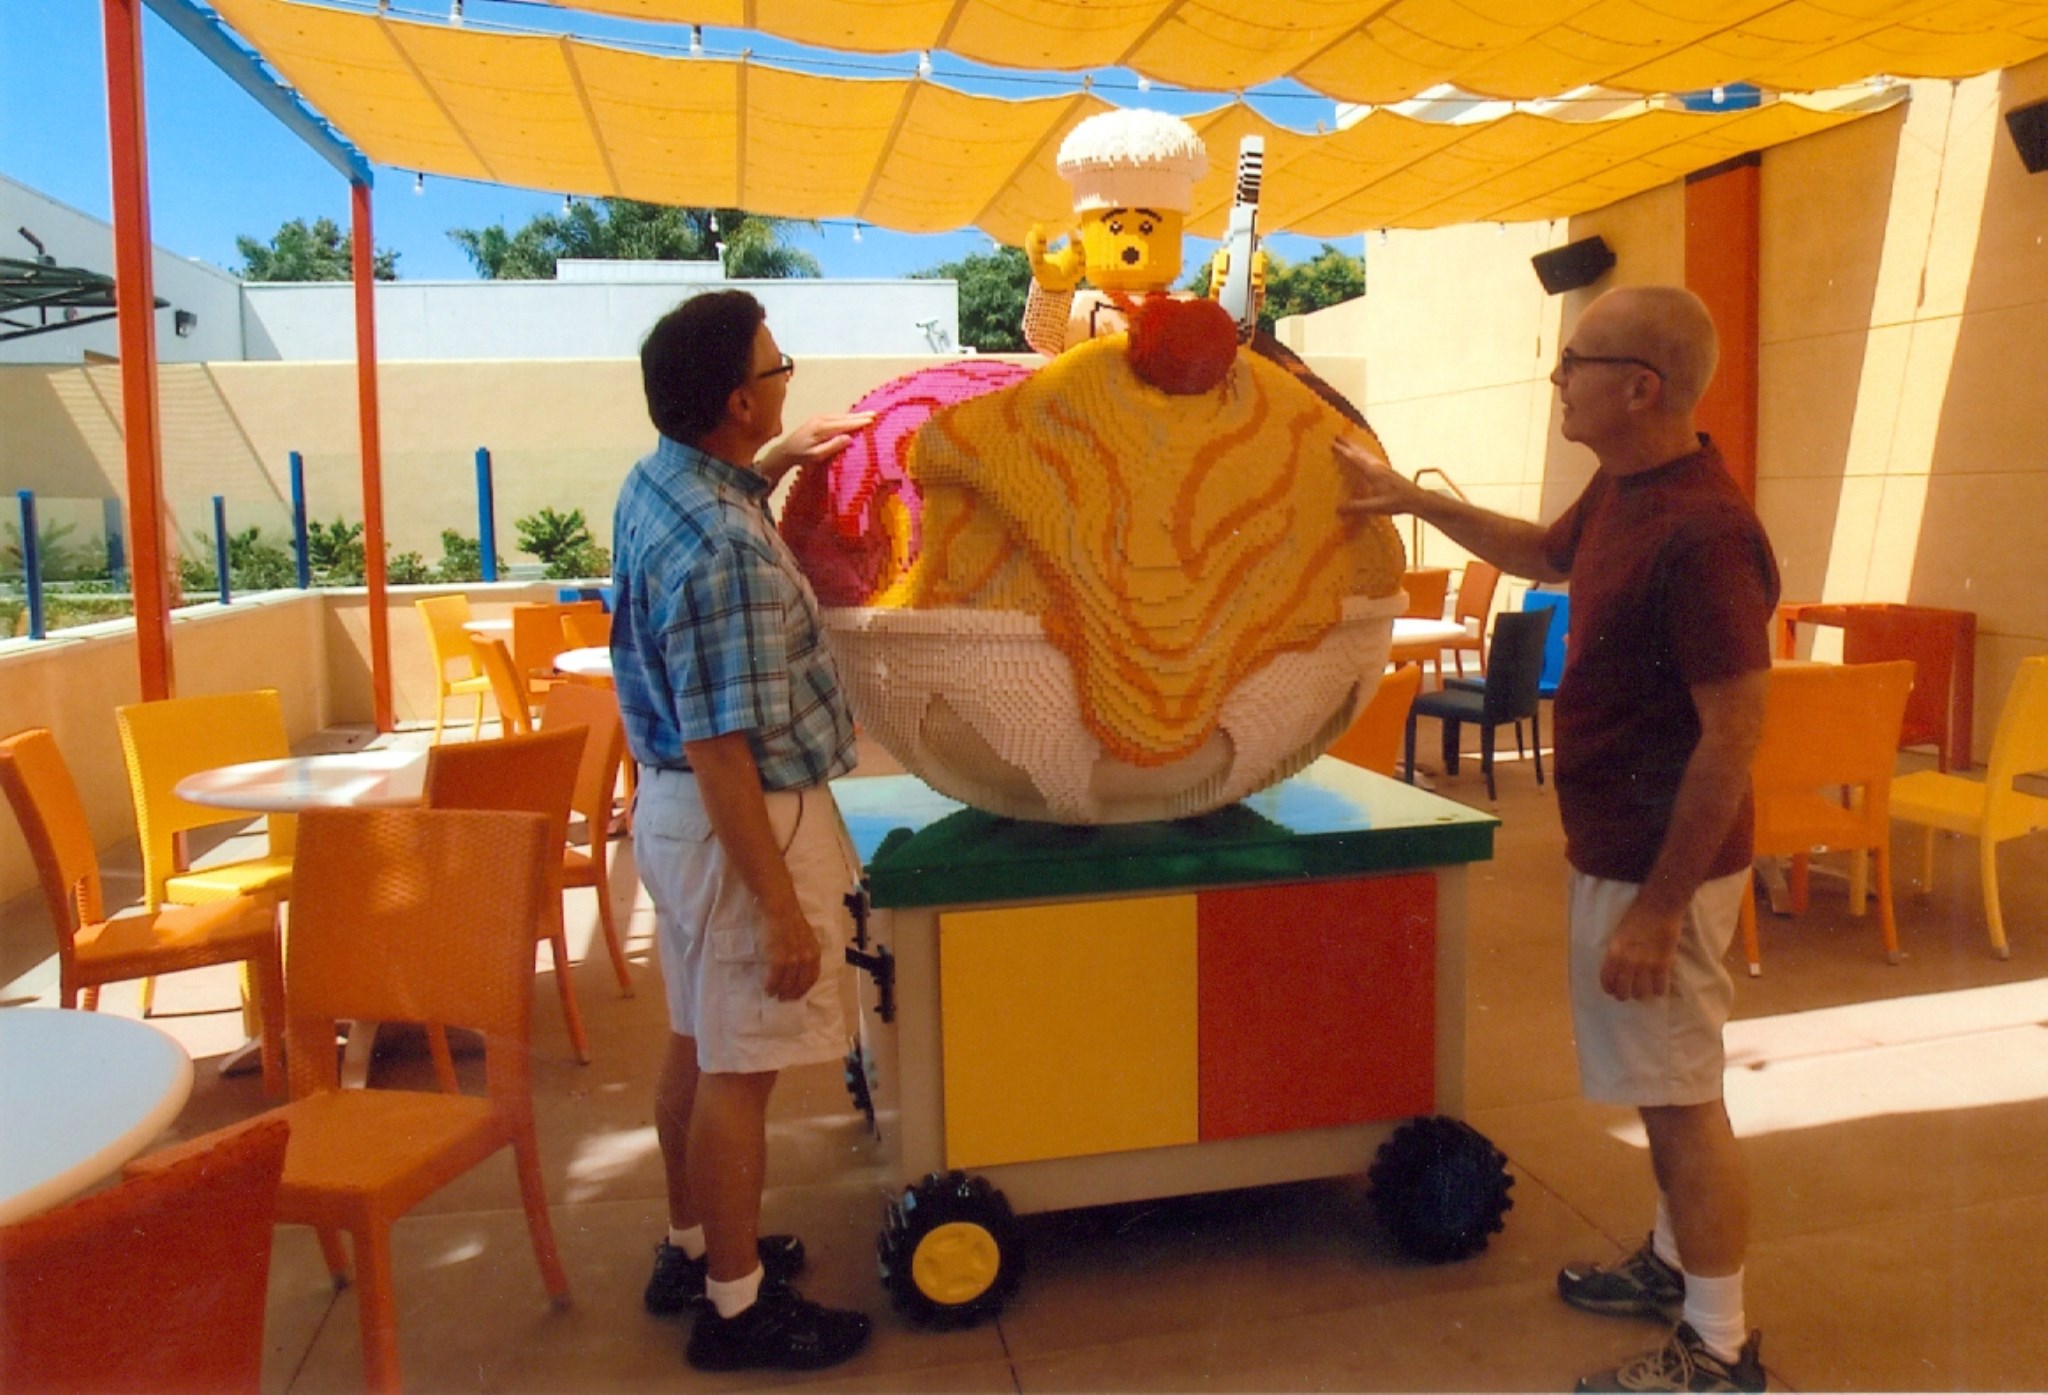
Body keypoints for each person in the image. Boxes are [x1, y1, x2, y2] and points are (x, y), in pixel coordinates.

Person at [1337, 285, 1779, 1394]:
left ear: (1639, 388)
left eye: (1575, 361)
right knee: (1661, 1083)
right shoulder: (1628, 486)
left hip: (1659, 865)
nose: (1557, 377)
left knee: (1679, 1101)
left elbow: (1733, 735)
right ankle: (1673, 1264)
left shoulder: (1704, 533)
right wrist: (1410, 498)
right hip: (1620, 849)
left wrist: (1660, 908)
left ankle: (1720, 1345)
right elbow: (1542, 551)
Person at [611, 290, 876, 1373]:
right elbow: (722, 745)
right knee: (739, 1071)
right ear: (735, 401)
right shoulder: (727, 549)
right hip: (741, 820)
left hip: (675, 816)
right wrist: (779, 911)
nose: (785, 379)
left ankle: (693, 1246)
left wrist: (776, 460)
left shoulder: (664, 483)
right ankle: (736, 1308)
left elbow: (718, 508)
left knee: (696, 1038)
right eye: (776, 370)